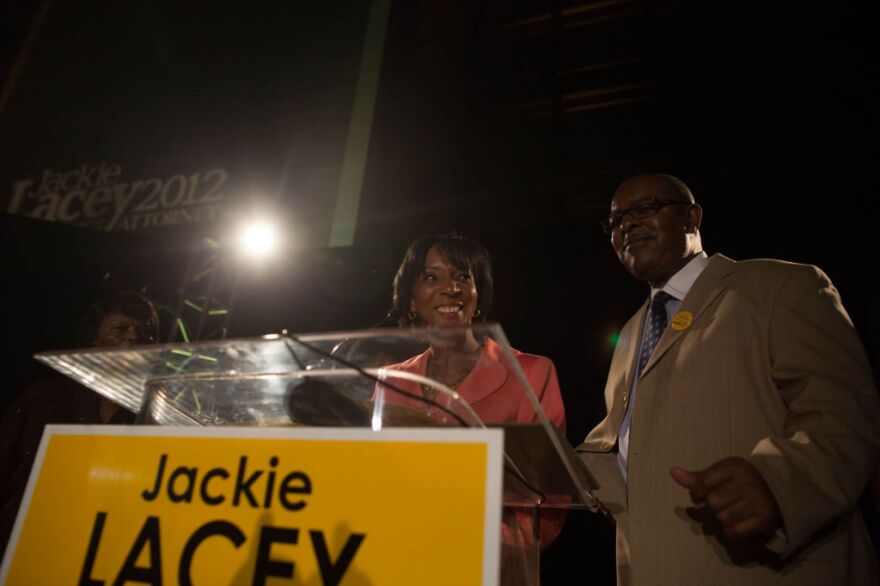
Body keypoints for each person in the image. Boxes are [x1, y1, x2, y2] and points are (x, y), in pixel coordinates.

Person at [577, 173, 880, 585]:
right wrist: (551, 470)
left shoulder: (780, 286)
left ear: (692, 218)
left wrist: (778, 484)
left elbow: (844, 417)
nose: (626, 225)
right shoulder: (632, 332)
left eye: (644, 208)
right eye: (614, 221)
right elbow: (623, 453)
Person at [377, 232, 566, 552]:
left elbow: (546, 502)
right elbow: (376, 481)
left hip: (487, 562)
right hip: (400, 554)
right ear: (411, 298)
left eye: (463, 276)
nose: (451, 289)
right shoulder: (391, 381)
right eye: (432, 277)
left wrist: (473, 546)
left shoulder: (532, 372)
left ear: (479, 294)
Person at [0, 290, 159, 551]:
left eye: (145, 334)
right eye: (120, 329)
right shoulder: (43, 397)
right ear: (93, 340)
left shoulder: (155, 418)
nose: (133, 337)